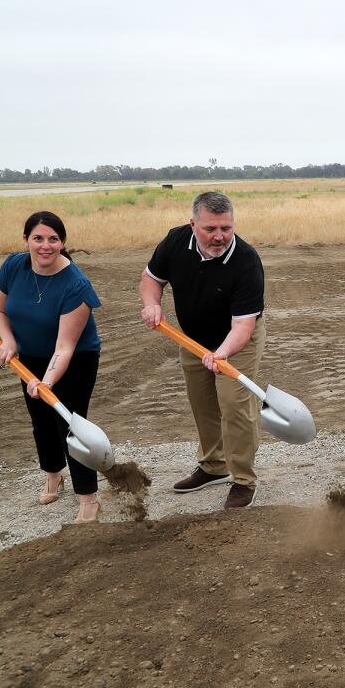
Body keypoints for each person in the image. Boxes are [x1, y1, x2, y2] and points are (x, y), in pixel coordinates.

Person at [139, 191, 266, 509]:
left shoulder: (246, 261)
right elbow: (151, 279)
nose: (219, 236)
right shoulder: (175, 241)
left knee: (235, 405)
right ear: (193, 224)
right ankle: (214, 466)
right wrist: (152, 304)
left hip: (237, 341)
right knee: (203, 403)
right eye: (211, 229)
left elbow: (242, 328)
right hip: (192, 339)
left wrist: (221, 354)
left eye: (226, 228)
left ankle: (243, 480)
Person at [0, 211, 104, 523]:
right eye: (38, 238)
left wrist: (48, 382)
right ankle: (53, 475)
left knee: (71, 424)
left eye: (53, 239)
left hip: (75, 359)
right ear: (26, 239)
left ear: (62, 242)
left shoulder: (76, 285)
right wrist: (8, 341)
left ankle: (88, 498)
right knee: (40, 419)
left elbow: (64, 347)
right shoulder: (14, 265)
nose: (45, 245)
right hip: (29, 355)